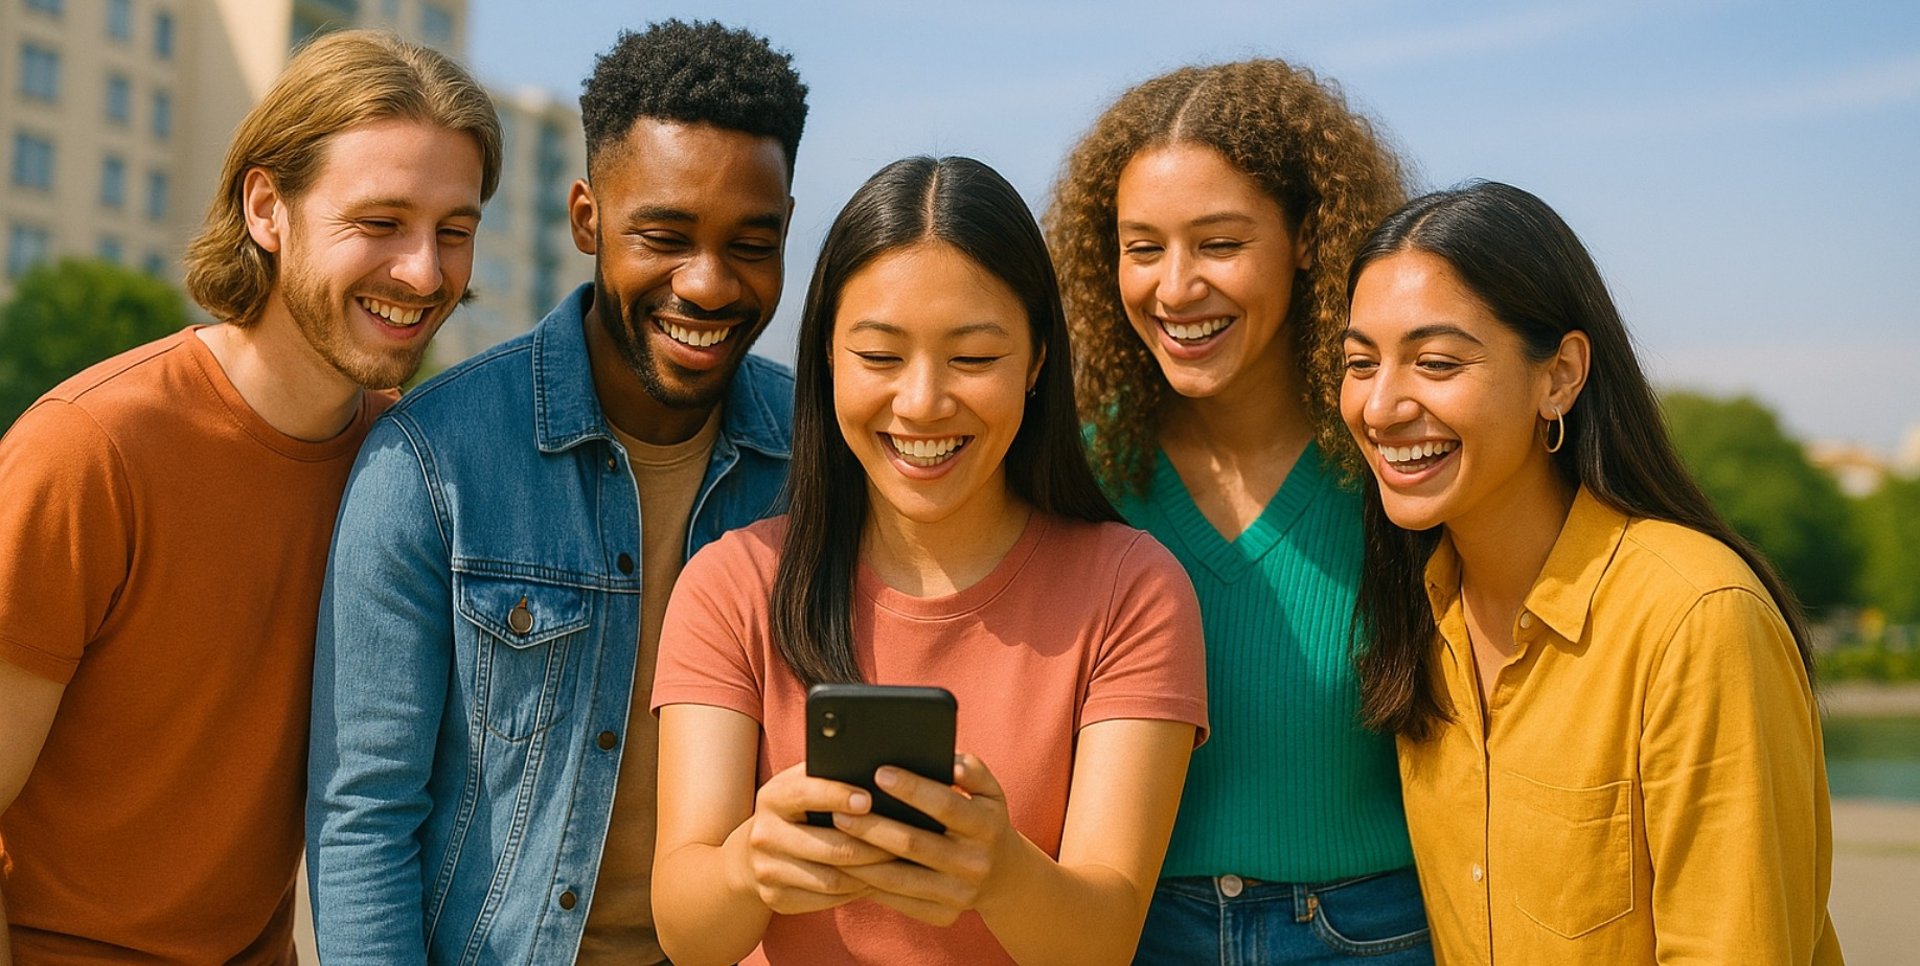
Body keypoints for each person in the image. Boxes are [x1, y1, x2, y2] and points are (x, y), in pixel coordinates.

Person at [304, 20, 805, 964]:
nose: (708, 284)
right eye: (664, 237)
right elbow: (363, 816)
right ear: (586, 219)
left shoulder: (823, 461)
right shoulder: (427, 462)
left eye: (752, 243)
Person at [0, 30, 498, 963]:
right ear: (267, 207)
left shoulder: (417, 471)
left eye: (455, 231)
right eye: (380, 221)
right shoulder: (89, 450)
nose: (425, 272)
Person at [649, 155, 1208, 965]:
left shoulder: (1133, 590)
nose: (921, 403)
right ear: (827, 356)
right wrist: (750, 865)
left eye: (973, 359)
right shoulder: (730, 585)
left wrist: (1001, 873)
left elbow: (1103, 941)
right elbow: (688, 934)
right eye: (879, 357)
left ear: (1037, 359)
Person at [1339, 180, 1843, 962]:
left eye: (1435, 362)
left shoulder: (1697, 618)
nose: (1380, 406)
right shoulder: (1422, 613)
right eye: (1360, 363)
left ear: (1560, 375)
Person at [1045, 60, 1431, 961]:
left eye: (1218, 244)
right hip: (1130, 935)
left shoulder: (1398, 462)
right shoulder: (1074, 467)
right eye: (1143, 248)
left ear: (1309, 239)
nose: (1176, 288)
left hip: (1374, 936)